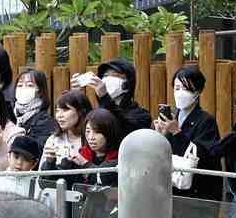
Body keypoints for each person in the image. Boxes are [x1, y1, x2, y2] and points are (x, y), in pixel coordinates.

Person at [69, 108, 123, 218]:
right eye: (87, 131)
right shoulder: (81, 155)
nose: (91, 137)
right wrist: (50, 162)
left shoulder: (120, 158)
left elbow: (104, 176)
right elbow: (58, 180)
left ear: (109, 133)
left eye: (97, 132)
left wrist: (85, 165)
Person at [157, 65, 222, 207]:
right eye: (177, 88)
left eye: (186, 88)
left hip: (199, 195)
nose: (180, 93)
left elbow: (202, 155)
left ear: (197, 92)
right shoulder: (173, 118)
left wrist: (177, 132)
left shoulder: (206, 120)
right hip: (172, 190)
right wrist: (160, 135)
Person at [85, 58, 152, 139]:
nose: (108, 79)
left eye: (115, 75)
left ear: (127, 84)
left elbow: (122, 127)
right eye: (105, 75)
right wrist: (76, 97)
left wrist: (105, 97)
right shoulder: (96, 113)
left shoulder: (142, 116)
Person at [40, 89, 93, 171]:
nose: (59, 115)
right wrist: (49, 163)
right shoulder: (53, 140)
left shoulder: (92, 139)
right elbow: (40, 175)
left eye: (65, 110)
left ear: (81, 111)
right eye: (57, 111)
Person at [13, 67, 56, 149]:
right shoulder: (12, 115)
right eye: (20, 85)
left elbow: (38, 149)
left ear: (40, 90)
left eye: (29, 85)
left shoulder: (44, 120)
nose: (23, 88)